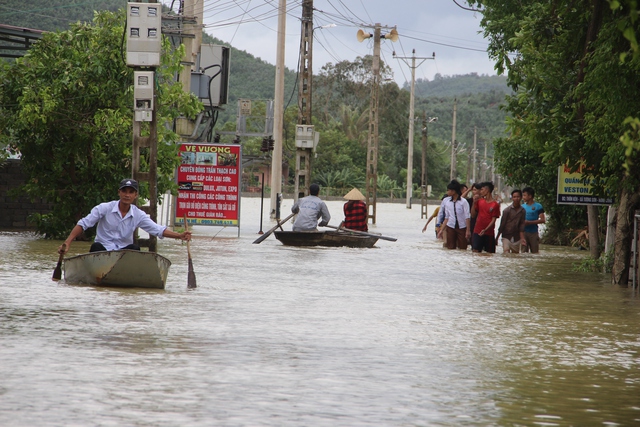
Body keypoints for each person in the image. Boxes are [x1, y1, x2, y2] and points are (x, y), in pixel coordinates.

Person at [58, 179, 191, 255]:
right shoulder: (105, 208)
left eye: (131, 192)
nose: (127, 195)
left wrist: (179, 235)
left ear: (136, 195)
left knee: (135, 249)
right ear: (119, 193)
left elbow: (157, 230)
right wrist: (68, 242)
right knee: (96, 247)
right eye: (124, 191)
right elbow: (83, 224)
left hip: (123, 253)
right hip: (103, 250)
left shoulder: (138, 214)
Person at [437, 180, 471, 250]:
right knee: (450, 248)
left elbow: (467, 217)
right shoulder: (447, 202)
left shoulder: (463, 202)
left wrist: (468, 230)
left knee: (463, 248)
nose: (447, 192)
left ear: (453, 191)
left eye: (448, 190)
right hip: (451, 227)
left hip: (462, 227)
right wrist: (441, 230)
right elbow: (447, 217)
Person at [471, 181, 501, 253]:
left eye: (482, 189)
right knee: (475, 252)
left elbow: (493, 220)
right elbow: (473, 215)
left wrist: (485, 230)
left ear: (487, 190)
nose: (480, 191)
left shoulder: (495, 204)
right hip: (477, 231)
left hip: (489, 233)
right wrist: (474, 202)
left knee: (489, 254)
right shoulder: (479, 201)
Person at [496, 189, 526, 253]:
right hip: (506, 236)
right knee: (506, 251)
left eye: (518, 197)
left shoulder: (523, 211)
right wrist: (497, 238)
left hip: (517, 237)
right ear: (512, 198)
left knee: (515, 255)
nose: (516, 199)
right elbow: (502, 225)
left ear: (521, 198)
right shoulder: (507, 210)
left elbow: (522, 225)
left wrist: (522, 238)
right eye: (514, 197)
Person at [522, 186, 546, 253]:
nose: (523, 197)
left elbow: (543, 220)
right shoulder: (522, 207)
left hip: (533, 233)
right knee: (523, 253)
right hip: (523, 233)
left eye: (524, 195)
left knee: (535, 253)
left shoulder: (538, 206)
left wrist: (529, 222)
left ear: (530, 196)